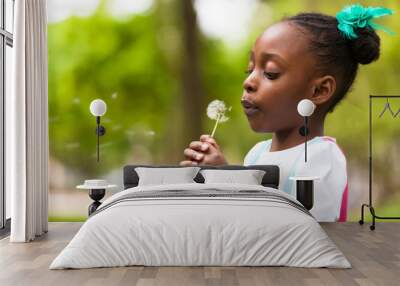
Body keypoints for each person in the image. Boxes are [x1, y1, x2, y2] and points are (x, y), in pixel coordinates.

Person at [179, 4, 394, 221]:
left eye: (270, 73)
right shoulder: (256, 154)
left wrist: (225, 178)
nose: (248, 82)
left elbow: (294, 229)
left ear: (319, 90)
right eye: (250, 69)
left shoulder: (322, 157)